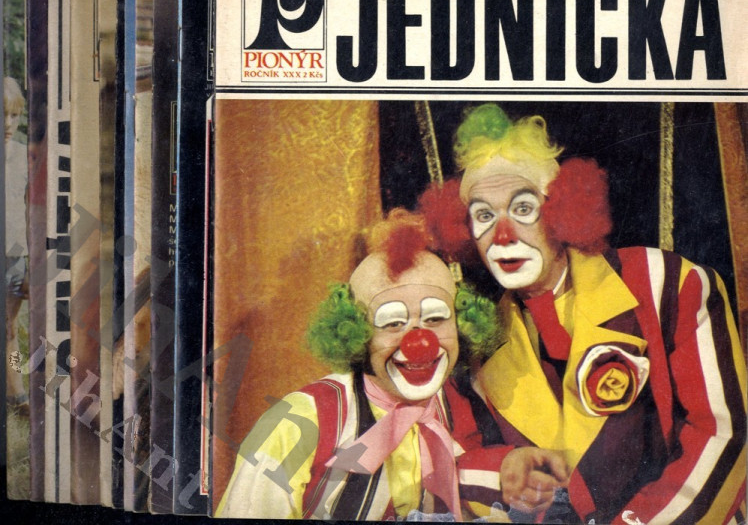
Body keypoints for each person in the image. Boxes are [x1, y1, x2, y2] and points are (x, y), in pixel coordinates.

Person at [418, 104, 747, 525]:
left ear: (560, 209)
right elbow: (456, 462)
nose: (502, 236)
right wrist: (508, 472)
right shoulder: (479, 348)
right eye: (484, 215)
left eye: (523, 209)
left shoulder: (668, 284)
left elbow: (725, 435)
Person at [215, 210, 516, 520]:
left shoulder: (460, 405)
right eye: (393, 323)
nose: (419, 342)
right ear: (356, 332)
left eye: (436, 318)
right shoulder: (296, 422)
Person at [4, 76, 30, 418]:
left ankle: (18, 394)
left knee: (9, 330)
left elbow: (31, 214)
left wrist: (31, 266)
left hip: (14, 259)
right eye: (2, 115)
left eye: (14, 115)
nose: (9, 124)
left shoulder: (24, 157)